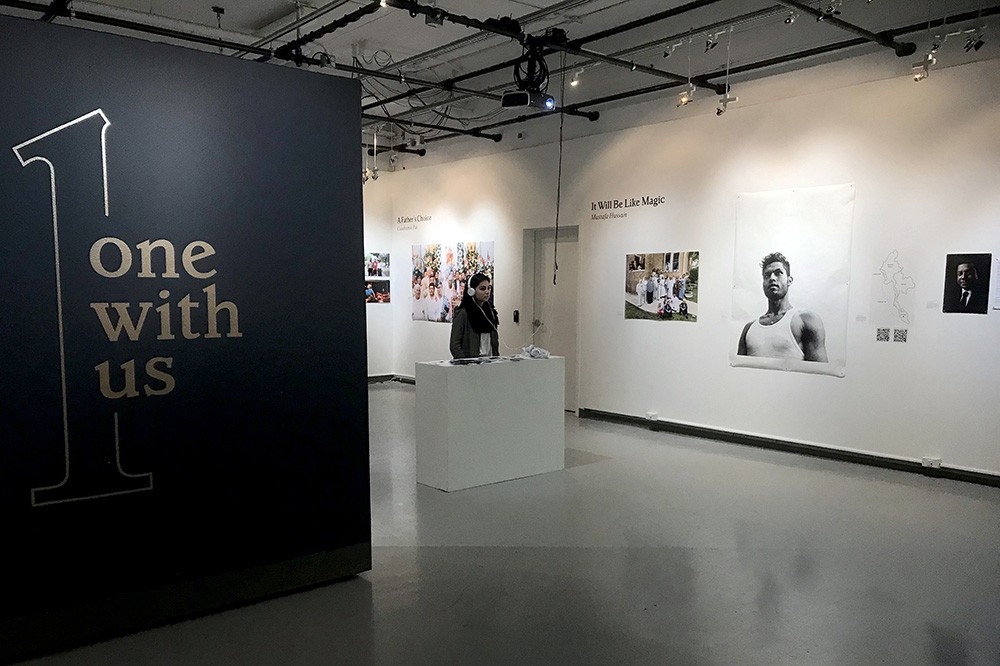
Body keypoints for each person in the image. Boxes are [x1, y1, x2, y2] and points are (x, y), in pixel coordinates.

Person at [738, 252, 828, 362]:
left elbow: (819, 370)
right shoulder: (749, 329)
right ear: (763, 283)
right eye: (767, 275)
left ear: (789, 281)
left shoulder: (806, 320)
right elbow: (739, 370)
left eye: (778, 273)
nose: (772, 278)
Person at [449, 273, 499, 358]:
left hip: (490, 361)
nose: (487, 292)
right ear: (471, 291)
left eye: (489, 288)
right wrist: (466, 362)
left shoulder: (491, 312)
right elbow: (454, 346)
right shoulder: (463, 313)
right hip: (471, 363)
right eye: (482, 289)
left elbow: (493, 342)